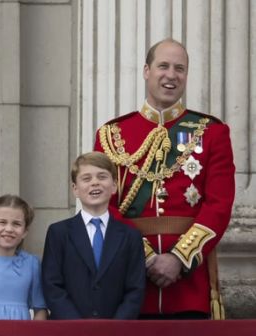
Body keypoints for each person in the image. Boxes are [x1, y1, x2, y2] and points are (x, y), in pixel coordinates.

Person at [94, 38, 235, 319]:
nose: (171, 75)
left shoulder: (212, 133)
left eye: (180, 68)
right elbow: (101, 205)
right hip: (131, 284)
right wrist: (145, 258)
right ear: (147, 71)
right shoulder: (112, 135)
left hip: (189, 285)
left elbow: (219, 206)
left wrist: (178, 259)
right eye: (163, 66)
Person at [41, 153, 146, 319]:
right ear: (75, 189)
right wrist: (77, 326)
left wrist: (115, 326)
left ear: (114, 186)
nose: (94, 182)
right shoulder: (59, 233)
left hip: (116, 333)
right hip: (70, 331)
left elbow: (135, 288)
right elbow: (52, 285)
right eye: (86, 178)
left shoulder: (130, 236)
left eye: (102, 177)